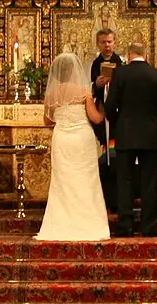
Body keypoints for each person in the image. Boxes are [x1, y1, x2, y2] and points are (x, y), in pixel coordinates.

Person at [35, 52, 109, 242]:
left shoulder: (51, 93)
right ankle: (90, 223)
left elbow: (47, 121)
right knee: (86, 180)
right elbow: (95, 118)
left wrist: (63, 120)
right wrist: (103, 108)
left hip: (62, 139)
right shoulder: (83, 91)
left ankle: (61, 223)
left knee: (63, 181)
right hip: (82, 139)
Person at [104, 40, 157, 237]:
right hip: (150, 135)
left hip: (125, 134)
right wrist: (148, 117)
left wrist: (120, 121)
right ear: (145, 54)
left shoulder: (120, 73)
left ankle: (125, 226)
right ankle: (149, 227)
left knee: (124, 180)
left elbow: (109, 106)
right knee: (149, 181)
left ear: (129, 54)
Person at [88, 28, 123, 212]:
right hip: (102, 113)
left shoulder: (120, 62)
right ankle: (104, 197)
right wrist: (97, 84)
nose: (107, 45)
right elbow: (91, 88)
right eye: (103, 42)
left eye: (110, 42)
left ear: (114, 42)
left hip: (117, 116)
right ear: (98, 43)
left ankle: (116, 199)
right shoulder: (96, 64)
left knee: (116, 155)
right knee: (104, 155)